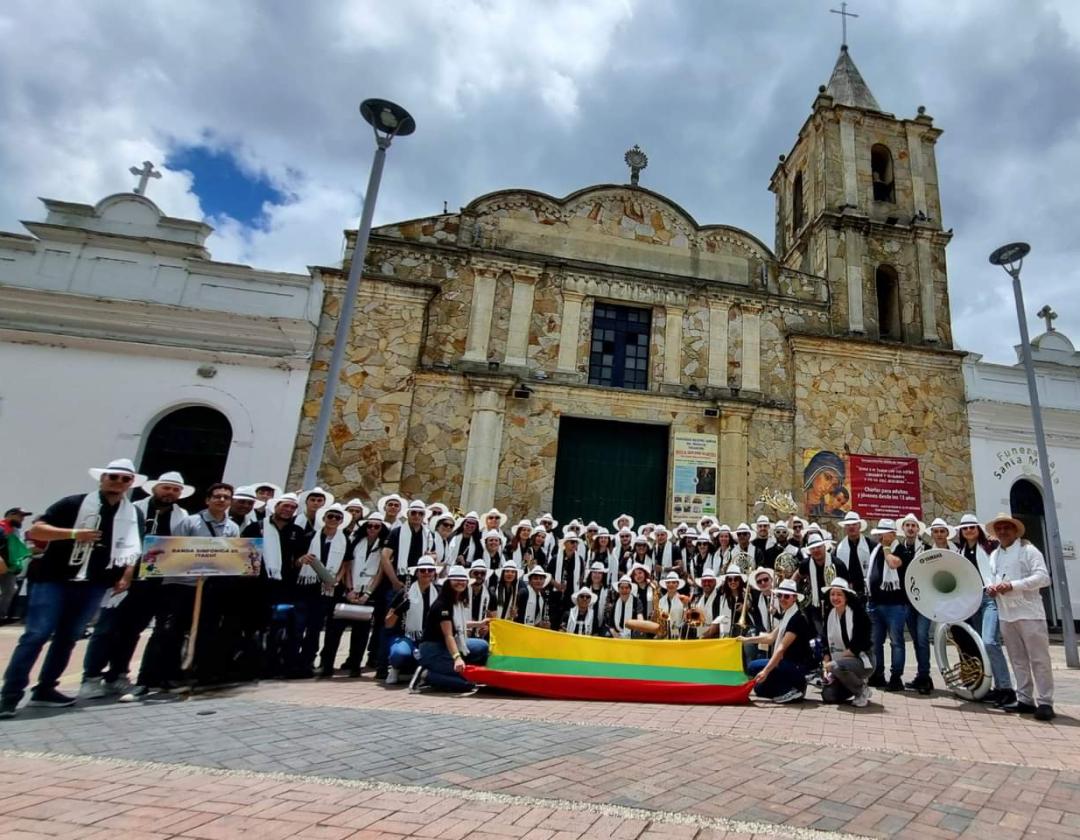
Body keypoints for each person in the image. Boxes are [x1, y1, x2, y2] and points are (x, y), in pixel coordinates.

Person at [1, 458, 144, 717]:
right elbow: (37, 531)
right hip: (54, 578)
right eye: (113, 476)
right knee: (36, 635)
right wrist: (74, 534)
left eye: (125, 479)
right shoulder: (73, 503)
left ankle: (46, 689)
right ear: (102, 478)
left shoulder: (133, 513)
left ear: (131, 482)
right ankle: (10, 695)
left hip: (95, 582)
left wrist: (127, 575)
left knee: (69, 637)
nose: (118, 482)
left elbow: (133, 547)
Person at [81, 471, 194, 700]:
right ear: (154, 489)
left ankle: (118, 675)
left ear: (180, 494)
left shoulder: (182, 516)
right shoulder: (132, 509)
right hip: (123, 578)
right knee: (107, 628)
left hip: (154, 582)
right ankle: (91, 677)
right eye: (166, 488)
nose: (170, 493)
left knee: (133, 630)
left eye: (175, 490)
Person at [986, 513, 1054, 721]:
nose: (1003, 531)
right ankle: (1024, 698)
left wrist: (1013, 586)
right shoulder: (995, 555)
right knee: (1017, 659)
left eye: (1007, 528)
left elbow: (1043, 577)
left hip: (1029, 613)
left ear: (1015, 531)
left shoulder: (1029, 550)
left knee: (1039, 659)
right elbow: (991, 577)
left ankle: (1045, 701)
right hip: (1007, 613)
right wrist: (991, 588)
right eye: (999, 529)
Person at [954, 512, 1014, 706]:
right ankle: (992, 687)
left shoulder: (990, 546)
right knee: (981, 645)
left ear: (977, 529)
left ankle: (1006, 688)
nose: (969, 531)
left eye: (972, 527)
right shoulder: (960, 551)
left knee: (989, 642)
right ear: (961, 532)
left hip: (989, 599)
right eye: (965, 528)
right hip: (973, 601)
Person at [416, 565, 489, 693]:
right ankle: (426, 675)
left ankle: (452, 667)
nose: (460, 583)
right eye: (456, 579)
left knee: (482, 645)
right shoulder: (443, 604)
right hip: (433, 649)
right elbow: (448, 634)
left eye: (463, 580)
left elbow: (457, 624)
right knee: (468, 682)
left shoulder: (457, 601)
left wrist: (479, 623)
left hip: (446, 646)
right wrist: (457, 658)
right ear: (448, 582)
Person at [745, 579, 815, 703]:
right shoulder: (787, 614)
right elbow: (770, 638)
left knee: (752, 667)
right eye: (779, 595)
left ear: (794, 598)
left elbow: (781, 648)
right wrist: (745, 640)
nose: (782, 598)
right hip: (786, 663)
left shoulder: (798, 618)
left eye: (786, 596)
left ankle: (794, 689)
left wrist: (766, 671)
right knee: (759, 689)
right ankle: (788, 687)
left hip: (796, 666)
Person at [865, 519, 906, 692]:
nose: (881, 536)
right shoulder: (876, 550)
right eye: (880, 533)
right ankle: (878, 674)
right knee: (875, 642)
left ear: (893, 534)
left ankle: (896, 677)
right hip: (875, 602)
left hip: (894, 604)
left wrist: (887, 548)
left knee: (896, 642)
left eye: (885, 533)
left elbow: (893, 564)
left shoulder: (900, 550)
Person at [820, 577, 874, 707]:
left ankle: (861, 690)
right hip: (840, 664)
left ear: (846, 597)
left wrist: (834, 664)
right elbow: (825, 642)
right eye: (832, 594)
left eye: (839, 594)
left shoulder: (858, 613)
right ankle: (851, 686)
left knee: (835, 666)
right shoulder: (829, 614)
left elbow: (862, 641)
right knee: (828, 695)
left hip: (862, 661)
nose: (835, 598)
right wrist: (826, 663)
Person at [385, 556, 440, 684]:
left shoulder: (439, 592)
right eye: (422, 570)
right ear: (417, 573)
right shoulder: (405, 593)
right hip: (407, 636)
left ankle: (422, 673)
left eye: (430, 570)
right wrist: (399, 610)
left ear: (434, 573)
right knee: (399, 654)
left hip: (430, 638)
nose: (426, 573)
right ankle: (395, 668)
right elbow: (388, 623)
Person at [895, 513, 932, 694]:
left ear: (918, 529)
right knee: (917, 639)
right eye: (907, 525)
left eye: (913, 525)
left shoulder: (927, 548)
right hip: (907, 602)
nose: (910, 528)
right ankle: (921, 675)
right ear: (903, 529)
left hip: (924, 601)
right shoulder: (899, 549)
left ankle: (925, 676)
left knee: (923, 638)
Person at [0, 507, 32, 622]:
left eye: (23, 516)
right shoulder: (1, 527)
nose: (22, 519)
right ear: (10, 515)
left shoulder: (16, 531)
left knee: (11, 589)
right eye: (20, 516)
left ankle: (1, 615)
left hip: (10, 567)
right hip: (1, 563)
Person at [834, 511, 872, 596]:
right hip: (847, 592)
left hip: (867, 592)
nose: (851, 527)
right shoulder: (838, 549)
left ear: (859, 526)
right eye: (848, 525)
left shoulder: (870, 545)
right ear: (845, 528)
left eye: (854, 524)